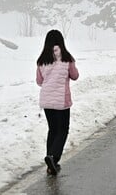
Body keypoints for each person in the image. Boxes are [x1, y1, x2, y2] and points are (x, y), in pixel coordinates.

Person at [36, 29, 79, 175]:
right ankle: (54, 157)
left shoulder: (42, 60)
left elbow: (39, 81)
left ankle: (50, 162)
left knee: (52, 130)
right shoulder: (67, 58)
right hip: (61, 100)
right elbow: (75, 76)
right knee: (63, 130)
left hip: (47, 100)